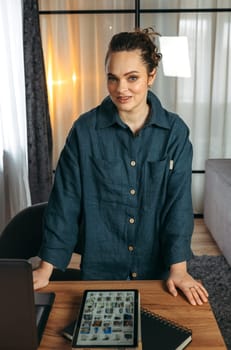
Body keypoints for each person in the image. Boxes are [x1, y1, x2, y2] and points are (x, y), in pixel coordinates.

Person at [33, 28, 208, 306]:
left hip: (158, 276)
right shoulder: (84, 131)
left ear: (151, 76)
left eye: (132, 78)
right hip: (101, 272)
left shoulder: (174, 132)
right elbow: (65, 201)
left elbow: (178, 206)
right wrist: (47, 266)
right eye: (112, 79)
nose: (120, 89)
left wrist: (179, 270)